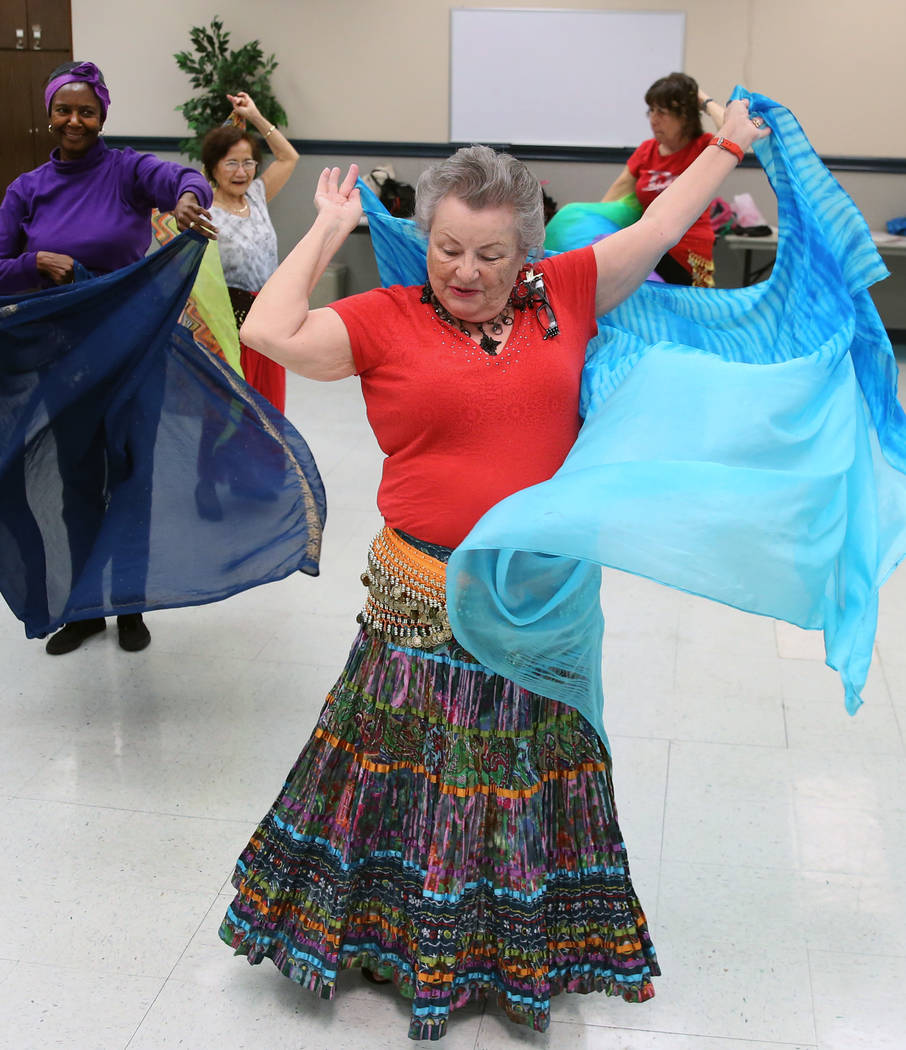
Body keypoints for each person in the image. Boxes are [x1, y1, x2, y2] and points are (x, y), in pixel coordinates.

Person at [218, 100, 768, 1040]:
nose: (465, 272)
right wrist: (330, 226)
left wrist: (728, 148)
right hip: (421, 600)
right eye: (446, 248)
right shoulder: (385, 318)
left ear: (527, 249)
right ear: (424, 239)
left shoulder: (567, 291)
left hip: (540, 602)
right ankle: (396, 934)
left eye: (490, 254)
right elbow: (268, 332)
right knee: (411, 775)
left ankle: (516, 944)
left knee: (519, 775)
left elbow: (663, 224)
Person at [0, 60, 216, 654]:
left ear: (101, 116)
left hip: (131, 352)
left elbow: (180, 179)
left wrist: (190, 199)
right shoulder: (26, 190)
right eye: (64, 110)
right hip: (62, 361)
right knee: (75, 481)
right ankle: (85, 606)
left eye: (86, 111)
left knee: (130, 476)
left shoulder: (124, 171)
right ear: (49, 114)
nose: (75, 120)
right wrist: (33, 263)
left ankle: (131, 605)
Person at [203, 92, 299, 413]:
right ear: (212, 168)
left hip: (267, 325)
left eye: (247, 162)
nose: (241, 171)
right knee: (229, 417)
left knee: (270, 414)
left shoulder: (257, 194)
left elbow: (289, 158)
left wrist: (255, 116)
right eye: (231, 162)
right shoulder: (202, 210)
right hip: (226, 329)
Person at [601, 72, 726, 287]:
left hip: (687, 254)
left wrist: (702, 100)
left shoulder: (703, 147)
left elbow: (733, 128)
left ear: (685, 115)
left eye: (662, 112)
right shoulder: (646, 151)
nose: (653, 119)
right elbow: (611, 199)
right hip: (651, 248)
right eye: (651, 111)